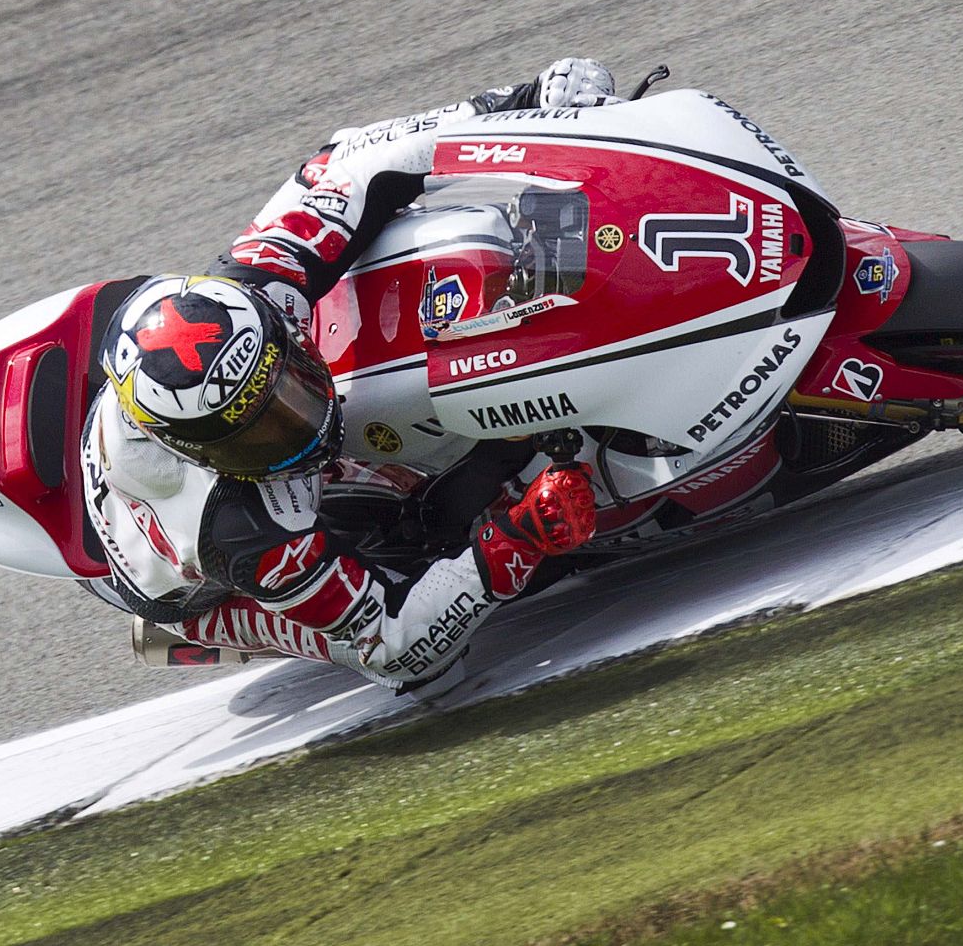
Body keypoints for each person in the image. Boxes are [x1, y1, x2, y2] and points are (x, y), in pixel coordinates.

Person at [81, 59, 619, 689]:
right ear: (200, 450)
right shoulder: (243, 530)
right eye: (260, 431)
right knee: (432, 675)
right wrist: (514, 542)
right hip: (184, 588)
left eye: (286, 386)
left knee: (354, 192)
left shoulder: (251, 294)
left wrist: (523, 102)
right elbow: (395, 646)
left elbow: (359, 166)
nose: (298, 419)